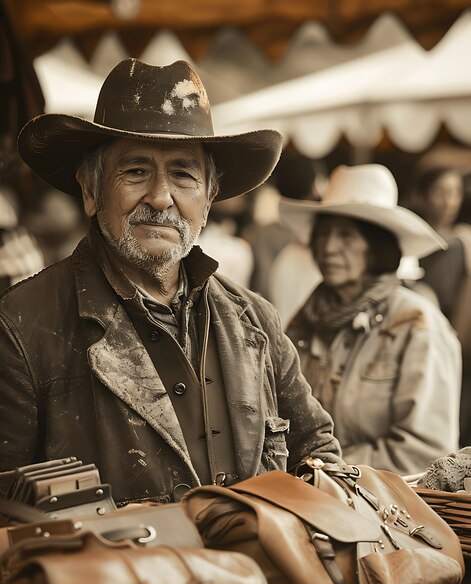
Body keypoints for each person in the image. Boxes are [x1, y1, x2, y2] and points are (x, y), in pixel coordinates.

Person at [0, 59, 342, 505]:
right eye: (136, 171)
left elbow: (316, 452)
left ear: (209, 198)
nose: (161, 197)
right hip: (121, 573)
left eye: (183, 174)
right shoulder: (22, 327)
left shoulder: (254, 319)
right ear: (90, 189)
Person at [283, 164, 461, 475]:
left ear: (377, 247)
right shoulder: (306, 319)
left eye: (346, 235)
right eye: (322, 234)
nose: (329, 247)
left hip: (386, 512)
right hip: (308, 499)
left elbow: (425, 451)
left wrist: (325, 469)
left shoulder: (416, 323)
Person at [410, 166, 471, 447]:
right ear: (422, 196)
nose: (449, 201)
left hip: (448, 347)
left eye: (455, 193)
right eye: (441, 193)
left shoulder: (460, 244)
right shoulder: (412, 240)